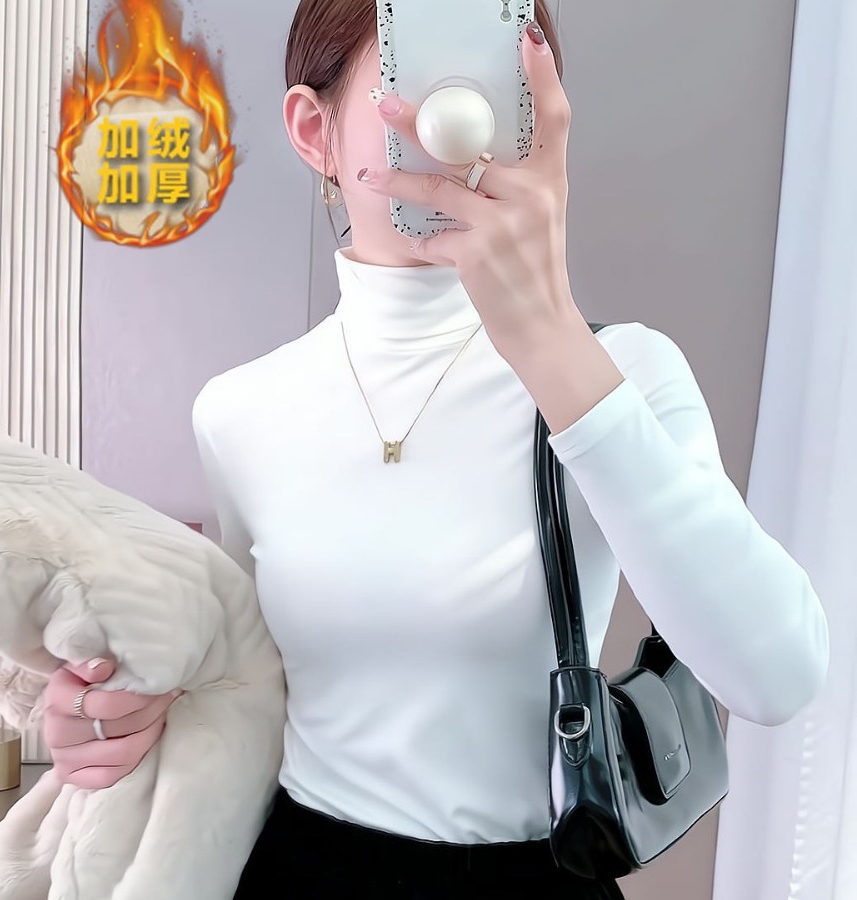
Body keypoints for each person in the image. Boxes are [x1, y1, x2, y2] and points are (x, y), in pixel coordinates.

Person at [41, 2, 830, 898]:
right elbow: (253, 685)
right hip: (301, 873)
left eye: (498, 86)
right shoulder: (240, 411)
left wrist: (548, 337)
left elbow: (775, 677)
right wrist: (121, 712)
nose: (461, 124)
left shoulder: (620, 374)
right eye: (414, 75)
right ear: (315, 132)